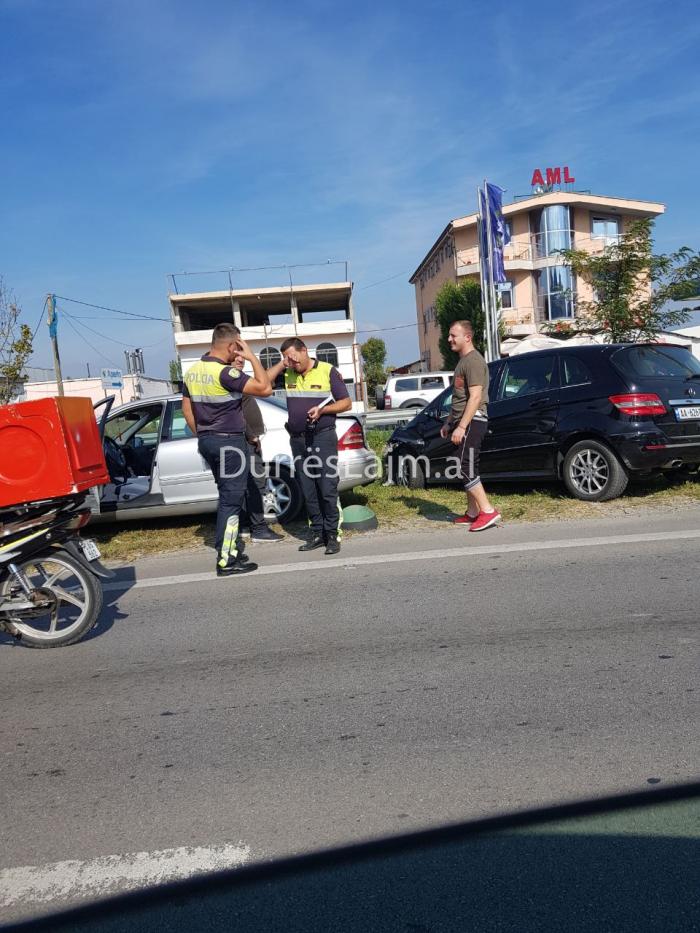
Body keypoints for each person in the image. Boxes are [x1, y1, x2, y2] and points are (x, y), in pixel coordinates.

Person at [181, 323, 273, 576]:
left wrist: (202, 433)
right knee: (232, 501)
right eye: (239, 347)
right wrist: (252, 356)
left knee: (226, 496)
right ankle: (226, 560)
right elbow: (265, 388)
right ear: (233, 346)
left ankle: (229, 549)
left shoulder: (193, 371)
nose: (240, 353)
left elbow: (186, 409)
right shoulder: (225, 373)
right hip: (229, 444)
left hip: (208, 441)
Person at [266, 338, 351, 555]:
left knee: (326, 486)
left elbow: (345, 402)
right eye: (288, 360)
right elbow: (264, 383)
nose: (292, 363)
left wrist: (323, 411)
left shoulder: (328, 371)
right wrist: (282, 364)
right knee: (308, 488)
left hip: (322, 436)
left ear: (304, 351)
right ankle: (317, 532)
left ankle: (332, 534)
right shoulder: (288, 373)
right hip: (297, 439)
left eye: (293, 358)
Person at [441, 320, 501, 532]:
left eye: (453, 335)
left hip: (473, 421)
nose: (449, 339)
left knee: (465, 466)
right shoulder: (462, 362)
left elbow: (475, 397)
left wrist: (461, 427)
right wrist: (450, 422)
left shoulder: (474, 361)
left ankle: (487, 511)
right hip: (464, 420)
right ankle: (473, 513)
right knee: (468, 465)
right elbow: (460, 397)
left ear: (467, 337)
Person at [241, 394, 284, 543]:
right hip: (246, 440)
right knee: (255, 483)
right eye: (235, 367)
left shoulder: (235, 382)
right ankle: (258, 529)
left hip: (245, 440)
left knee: (247, 484)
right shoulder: (231, 383)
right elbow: (236, 412)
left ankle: (246, 525)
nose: (239, 368)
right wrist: (251, 435)